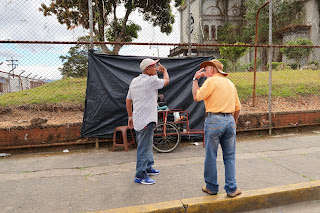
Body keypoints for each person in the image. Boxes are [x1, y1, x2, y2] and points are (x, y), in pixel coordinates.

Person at [192, 59, 242, 198]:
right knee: (230, 156)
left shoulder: (211, 81)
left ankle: (211, 187)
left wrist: (195, 79)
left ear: (213, 70)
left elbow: (196, 96)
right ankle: (232, 189)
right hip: (230, 120)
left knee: (211, 156)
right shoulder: (230, 83)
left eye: (206, 69)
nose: (204, 72)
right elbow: (238, 108)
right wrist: (234, 122)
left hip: (214, 120)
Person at [126, 58, 169, 185]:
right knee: (144, 147)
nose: (156, 68)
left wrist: (130, 117)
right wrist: (165, 71)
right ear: (147, 69)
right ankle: (140, 175)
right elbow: (166, 81)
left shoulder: (134, 81)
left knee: (147, 143)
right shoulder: (151, 80)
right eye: (154, 66)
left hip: (138, 119)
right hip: (146, 120)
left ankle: (148, 167)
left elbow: (128, 100)